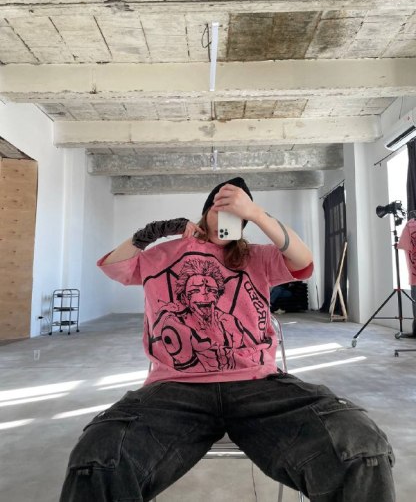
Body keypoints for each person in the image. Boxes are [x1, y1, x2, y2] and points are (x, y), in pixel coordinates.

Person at [60, 177, 395, 502]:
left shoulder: (257, 256)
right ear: (206, 210)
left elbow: (303, 259)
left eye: (237, 212)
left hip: (258, 385)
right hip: (175, 389)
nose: (228, 218)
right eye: (221, 207)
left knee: (360, 446)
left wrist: (258, 215)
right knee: (97, 457)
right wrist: (157, 230)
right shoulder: (165, 253)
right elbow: (114, 266)